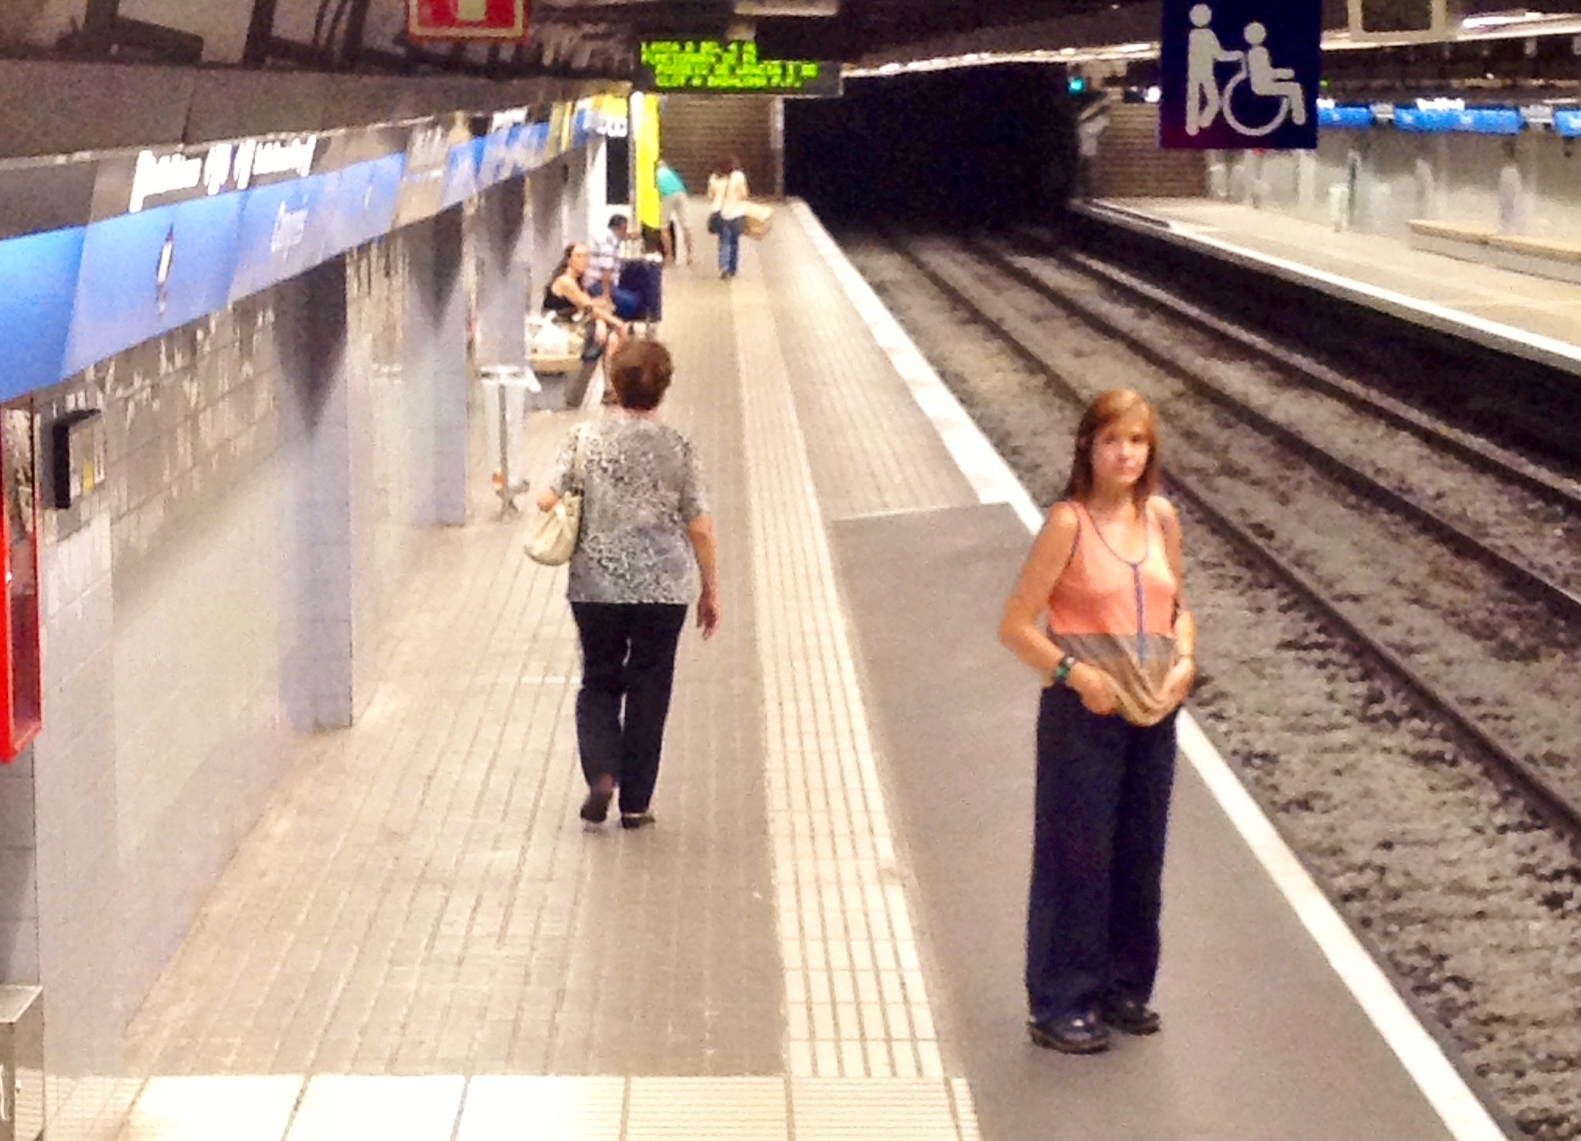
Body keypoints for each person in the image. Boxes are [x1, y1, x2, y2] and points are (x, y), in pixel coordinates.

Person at [998, 389, 1197, 1055]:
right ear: (1088, 446)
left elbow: (1177, 608)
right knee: (1076, 855)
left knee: (1140, 853)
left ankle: (1123, 986)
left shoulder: (1161, 518)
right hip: (1082, 716)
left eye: (1137, 441)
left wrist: (1186, 659)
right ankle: (1060, 1000)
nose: (1125, 454)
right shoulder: (1067, 524)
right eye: (1112, 440)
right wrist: (1076, 676)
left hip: (1153, 710)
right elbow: (1015, 626)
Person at [536, 340, 721, 830]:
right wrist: (710, 589)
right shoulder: (679, 446)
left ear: (614, 384)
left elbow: (545, 499)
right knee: (650, 688)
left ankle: (602, 773)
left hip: (596, 587)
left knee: (599, 679)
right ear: (663, 387)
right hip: (663, 589)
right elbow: (700, 526)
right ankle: (636, 804)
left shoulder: (584, 439)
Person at [544, 243, 631, 409]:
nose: (583, 260)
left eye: (586, 256)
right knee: (612, 336)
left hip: (573, 323)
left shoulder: (578, 281)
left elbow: (591, 305)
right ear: (568, 260)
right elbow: (588, 307)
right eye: (578, 256)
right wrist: (617, 323)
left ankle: (610, 387)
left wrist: (601, 320)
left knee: (611, 336)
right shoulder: (565, 281)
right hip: (560, 327)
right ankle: (610, 387)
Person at [708, 156, 749, 279]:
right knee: (734, 242)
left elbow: (711, 196)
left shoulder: (714, 177)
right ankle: (732, 268)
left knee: (723, 241)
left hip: (720, 213)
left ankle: (724, 267)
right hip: (736, 213)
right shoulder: (738, 176)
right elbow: (743, 195)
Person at [656, 159, 693, 265]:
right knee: (686, 225)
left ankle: (669, 255)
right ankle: (690, 254)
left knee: (664, 227)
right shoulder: (671, 172)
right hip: (681, 194)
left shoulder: (656, 174)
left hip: (666, 195)